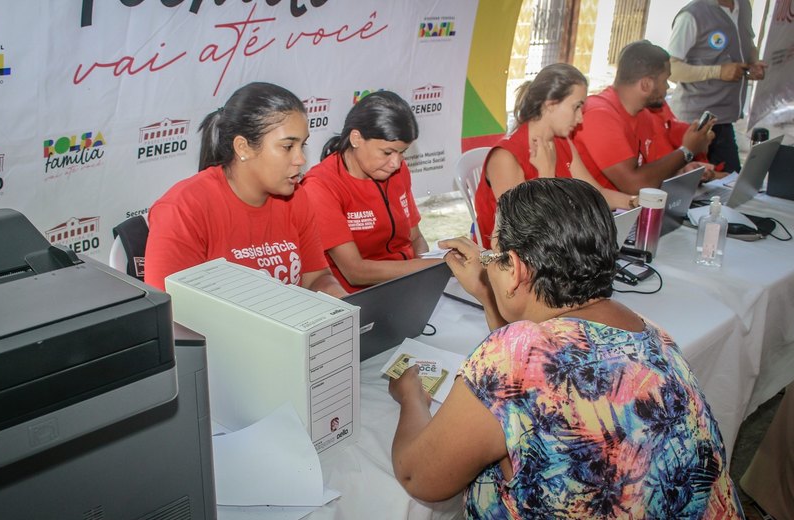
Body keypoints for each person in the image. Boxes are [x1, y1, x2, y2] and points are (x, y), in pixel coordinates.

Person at [389, 178, 744, 518]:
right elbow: (536, 370)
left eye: (494, 256)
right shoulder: (649, 331)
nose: (489, 264)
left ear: (514, 269)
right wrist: (487, 292)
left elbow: (418, 477)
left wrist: (412, 397)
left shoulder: (517, 355)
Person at [144, 82, 346, 298]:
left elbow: (316, 278)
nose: (301, 159)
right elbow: (172, 315)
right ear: (244, 147)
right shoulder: (183, 209)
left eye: (302, 145)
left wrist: (346, 306)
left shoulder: (297, 197)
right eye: (288, 147)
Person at [474, 63, 636, 249]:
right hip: (507, 263)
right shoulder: (505, 157)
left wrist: (634, 202)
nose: (580, 118)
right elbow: (522, 231)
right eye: (576, 107)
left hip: (551, 251)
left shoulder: (562, 142)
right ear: (550, 104)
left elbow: (594, 193)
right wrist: (546, 173)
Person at [301, 91, 439, 293]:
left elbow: (415, 238)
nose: (396, 163)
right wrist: (432, 267)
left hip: (407, 287)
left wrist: (425, 281)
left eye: (402, 153)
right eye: (387, 152)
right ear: (356, 138)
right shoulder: (321, 186)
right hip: (357, 299)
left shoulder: (398, 171)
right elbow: (355, 271)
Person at [574, 40, 717, 194]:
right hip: (590, 212)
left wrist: (682, 171)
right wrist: (687, 150)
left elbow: (653, 171)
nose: (667, 87)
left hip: (625, 210)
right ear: (646, 84)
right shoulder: (599, 115)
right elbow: (634, 185)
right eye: (665, 80)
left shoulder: (644, 114)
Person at [668, 0, 766, 173]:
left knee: (731, 185)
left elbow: (748, 44)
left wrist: (753, 63)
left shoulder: (743, 6)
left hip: (724, 121)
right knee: (690, 189)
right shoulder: (692, 14)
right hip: (693, 122)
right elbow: (672, 69)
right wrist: (718, 72)